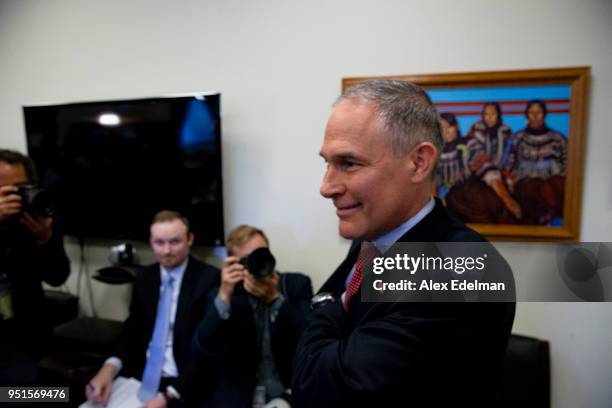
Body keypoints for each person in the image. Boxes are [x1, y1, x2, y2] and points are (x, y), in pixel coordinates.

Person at [292, 80, 515, 407]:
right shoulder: (373, 237)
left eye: (349, 163)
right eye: (327, 163)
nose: (327, 187)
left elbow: (321, 387)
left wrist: (324, 303)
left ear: (419, 162)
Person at [85, 210, 219, 407]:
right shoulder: (145, 278)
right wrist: (108, 368)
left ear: (190, 239)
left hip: (182, 382)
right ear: (150, 242)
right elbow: (132, 330)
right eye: (159, 242)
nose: (166, 251)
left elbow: (207, 350)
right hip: (140, 375)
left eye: (175, 242)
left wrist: (169, 395)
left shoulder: (209, 280)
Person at [193, 225, 313, 407]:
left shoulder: (295, 285)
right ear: (234, 264)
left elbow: (310, 339)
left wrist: (275, 299)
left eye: (261, 254)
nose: (256, 264)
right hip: (239, 395)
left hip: (287, 391)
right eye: (246, 260)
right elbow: (204, 348)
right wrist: (225, 295)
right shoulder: (224, 294)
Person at [0, 149, 70, 385]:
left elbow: (58, 276)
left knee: (48, 396)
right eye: (4, 189)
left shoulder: (41, 217)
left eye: (19, 188)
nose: (12, 196)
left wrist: (45, 239)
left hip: (29, 331)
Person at [445, 102, 521, 223]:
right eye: (486, 114)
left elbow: (510, 156)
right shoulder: (475, 129)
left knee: (494, 200)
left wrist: (507, 176)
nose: (489, 117)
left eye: (493, 114)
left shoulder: (506, 131)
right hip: (475, 176)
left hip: (497, 174)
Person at [505, 99, 567, 225]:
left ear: (544, 115)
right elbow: (509, 165)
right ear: (526, 116)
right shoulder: (518, 138)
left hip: (552, 182)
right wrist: (510, 181)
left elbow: (567, 163)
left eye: (538, 112)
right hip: (526, 182)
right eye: (531, 112)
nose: (534, 116)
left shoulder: (557, 138)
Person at [435, 112, 469, 201]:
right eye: (442, 128)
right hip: (441, 191)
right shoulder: (435, 150)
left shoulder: (467, 144)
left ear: (456, 126)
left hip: (464, 188)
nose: (446, 131)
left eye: (449, 127)